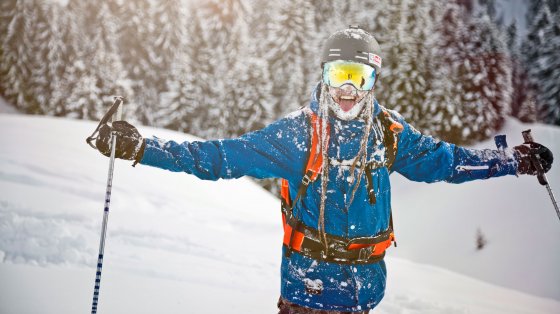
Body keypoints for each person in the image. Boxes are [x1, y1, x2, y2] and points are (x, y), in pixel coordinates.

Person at [90, 26, 553, 313]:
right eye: (339, 76)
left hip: (365, 297)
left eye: (360, 78)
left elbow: (447, 162)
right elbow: (217, 158)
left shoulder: (388, 132)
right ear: (325, 76)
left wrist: (510, 161)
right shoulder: (298, 134)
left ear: (373, 80)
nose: (348, 90)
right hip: (307, 297)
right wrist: (141, 147)